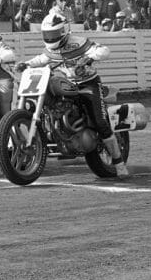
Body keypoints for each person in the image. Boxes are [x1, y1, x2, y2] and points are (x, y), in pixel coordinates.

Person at [15, 13, 130, 179]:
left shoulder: (79, 42)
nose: (50, 38)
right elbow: (42, 59)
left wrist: (89, 57)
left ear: (63, 31)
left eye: (53, 34)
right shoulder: (50, 49)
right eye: (47, 35)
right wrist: (26, 64)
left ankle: (119, 163)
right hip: (66, 82)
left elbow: (104, 50)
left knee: (100, 122)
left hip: (88, 84)